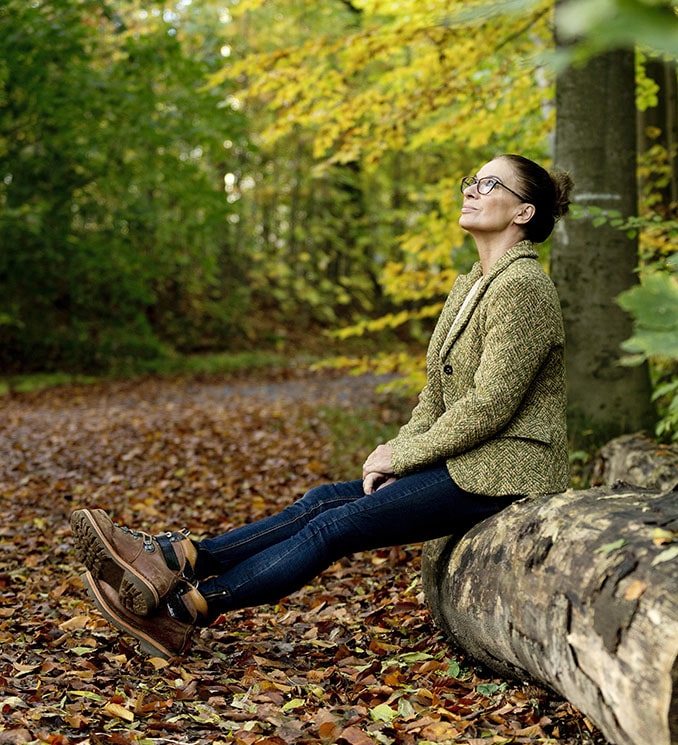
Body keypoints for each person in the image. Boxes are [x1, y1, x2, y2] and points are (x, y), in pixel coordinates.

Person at [71, 153, 574, 659]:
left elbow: (491, 405)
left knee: (336, 526)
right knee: (320, 501)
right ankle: (177, 556)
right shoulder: (472, 284)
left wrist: (405, 458)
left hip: (510, 470)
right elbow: (437, 396)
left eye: (489, 184)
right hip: (470, 463)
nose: (470, 189)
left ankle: (184, 610)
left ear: (522, 212)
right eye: (472, 180)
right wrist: (399, 450)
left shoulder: (523, 286)